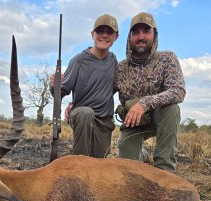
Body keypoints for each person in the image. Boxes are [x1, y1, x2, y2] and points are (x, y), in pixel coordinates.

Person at [114, 12, 185, 172]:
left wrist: (144, 104)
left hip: (161, 120)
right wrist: (75, 102)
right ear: (129, 37)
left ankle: (165, 170)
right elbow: (102, 92)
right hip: (132, 123)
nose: (141, 37)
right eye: (136, 32)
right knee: (127, 171)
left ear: (154, 34)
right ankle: (142, 155)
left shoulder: (167, 58)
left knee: (172, 108)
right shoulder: (120, 67)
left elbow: (178, 90)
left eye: (146, 31)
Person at [50, 14, 119, 158]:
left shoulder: (114, 61)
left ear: (116, 37)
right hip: (82, 116)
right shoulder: (78, 60)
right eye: (100, 31)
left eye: (109, 32)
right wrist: (53, 86)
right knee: (85, 113)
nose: (104, 36)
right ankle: (77, 164)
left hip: (104, 121)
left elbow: (108, 90)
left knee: (99, 165)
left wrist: (72, 102)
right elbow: (62, 91)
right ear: (93, 34)